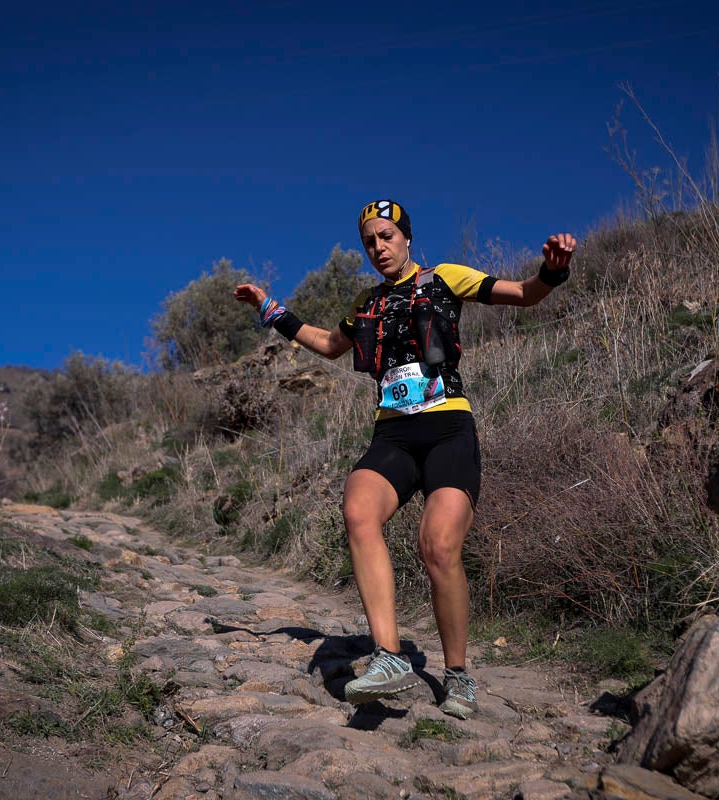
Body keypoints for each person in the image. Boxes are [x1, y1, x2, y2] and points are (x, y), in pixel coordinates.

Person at [234, 199, 575, 719]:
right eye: (370, 241)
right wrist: (270, 310)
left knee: (438, 547)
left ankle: (457, 675)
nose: (379, 248)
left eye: (386, 237)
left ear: (407, 238)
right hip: (393, 435)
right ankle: (389, 658)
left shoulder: (445, 279)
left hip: (447, 429)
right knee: (358, 510)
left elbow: (525, 295)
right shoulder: (366, 302)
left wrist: (553, 270)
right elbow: (329, 344)